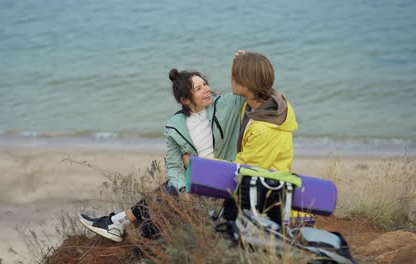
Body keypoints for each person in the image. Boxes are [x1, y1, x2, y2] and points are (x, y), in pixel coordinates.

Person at [79, 68, 244, 242]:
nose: (207, 89)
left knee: (166, 193)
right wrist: (183, 190)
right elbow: (174, 166)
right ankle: (120, 224)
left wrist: (238, 66)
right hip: (196, 183)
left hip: (221, 180)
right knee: (170, 190)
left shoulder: (225, 105)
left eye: (205, 84)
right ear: (185, 100)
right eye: (198, 88)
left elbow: (247, 89)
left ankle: (120, 224)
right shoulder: (176, 125)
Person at [230, 51, 312, 224]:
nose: (231, 77)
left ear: (249, 82)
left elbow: (243, 170)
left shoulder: (265, 129)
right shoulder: (269, 103)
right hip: (263, 187)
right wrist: (242, 63)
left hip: (269, 201)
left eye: (235, 74)